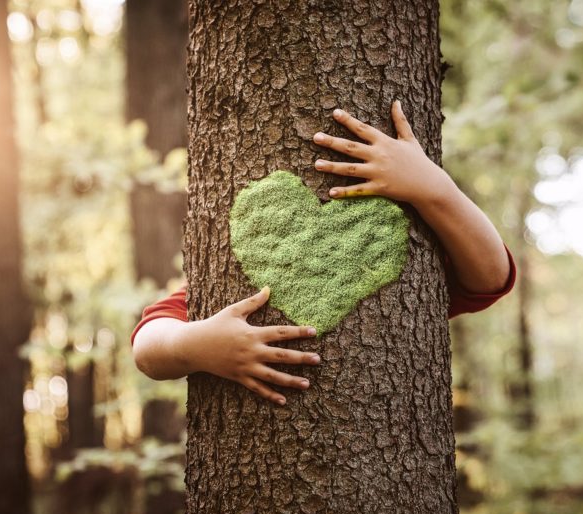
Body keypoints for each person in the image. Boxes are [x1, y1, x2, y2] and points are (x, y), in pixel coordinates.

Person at [131, 100, 517, 406]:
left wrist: (433, 188)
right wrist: (196, 345)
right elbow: (148, 346)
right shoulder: (231, 280)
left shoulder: (418, 259)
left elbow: (491, 277)